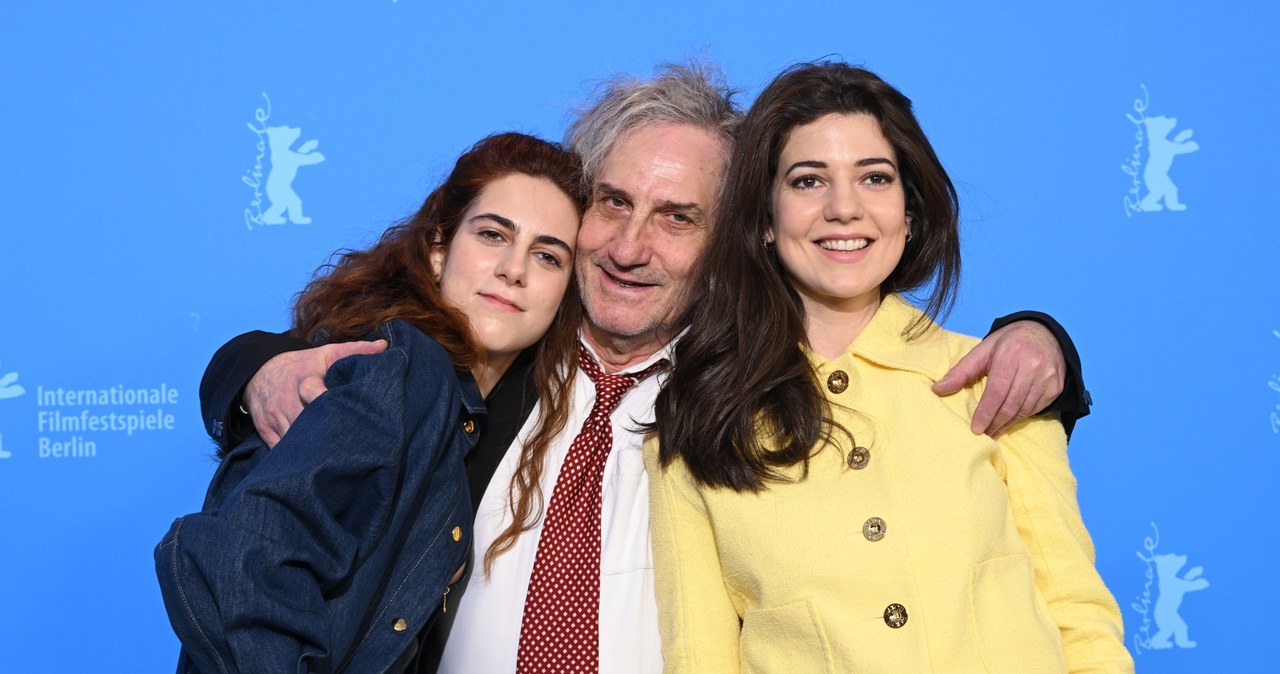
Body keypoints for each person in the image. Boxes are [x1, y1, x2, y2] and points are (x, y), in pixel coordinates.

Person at [199, 64, 1089, 673]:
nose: (630, 247)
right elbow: (352, 375)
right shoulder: (484, 364)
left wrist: (1040, 337)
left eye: (677, 218)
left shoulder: (746, 393)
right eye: (614, 203)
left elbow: (884, 377)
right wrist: (252, 372)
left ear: (733, 240)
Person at [648, 62, 1132, 672]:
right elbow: (698, 655)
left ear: (910, 209)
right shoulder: (696, 417)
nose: (844, 208)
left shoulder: (996, 377)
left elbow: (1076, 611)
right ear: (765, 219)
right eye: (807, 182)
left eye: (874, 178)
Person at [155, 132, 586, 674]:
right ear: (437, 249)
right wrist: (253, 371)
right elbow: (241, 559)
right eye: (493, 235)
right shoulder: (403, 369)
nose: (514, 269)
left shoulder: (512, 406)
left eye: (548, 256)